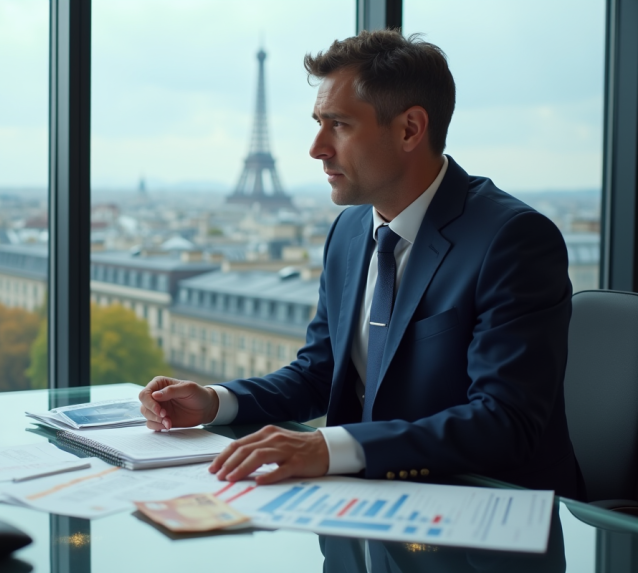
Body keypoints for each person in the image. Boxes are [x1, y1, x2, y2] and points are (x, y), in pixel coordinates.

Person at [139, 30, 583, 499]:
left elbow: (504, 421)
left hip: (490, 518)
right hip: (368, 510)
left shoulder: (512, 240)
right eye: (318, 122)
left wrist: (329, 448)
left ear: (410, 129)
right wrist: (214, 401)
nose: (316, 148)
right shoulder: (350, 231)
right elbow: (319, 372)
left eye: (339, 125)